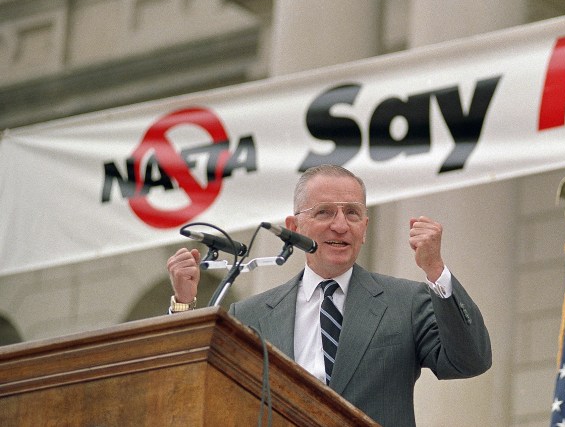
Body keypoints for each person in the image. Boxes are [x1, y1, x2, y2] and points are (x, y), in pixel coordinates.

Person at [167, 164, 492, 426]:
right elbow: (195, 390)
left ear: (364, 227)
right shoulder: (251, 315)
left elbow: (469, 361)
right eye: (324, 212)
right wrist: (184, 305)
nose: (341, 225)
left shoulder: (405, 301)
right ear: (294, 226)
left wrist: (435, 269)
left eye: (352, 213)